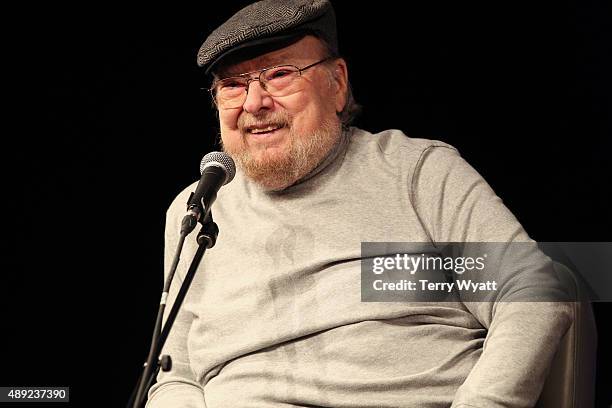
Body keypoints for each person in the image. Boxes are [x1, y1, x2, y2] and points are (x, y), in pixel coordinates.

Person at [146, 1, 572, 407]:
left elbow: (528, 290)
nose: (255, 103)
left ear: (337, 83)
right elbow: (176, 376)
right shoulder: (200, 206)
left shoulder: (414, 173)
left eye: (279, 75)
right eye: (233, 86)